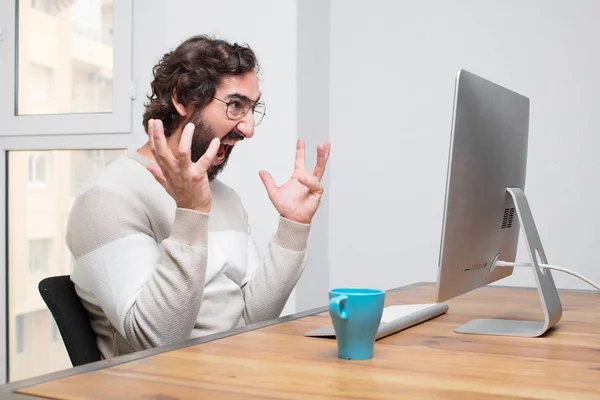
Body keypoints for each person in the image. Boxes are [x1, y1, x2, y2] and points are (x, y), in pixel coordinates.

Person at [65, 34, 330, 359]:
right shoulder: (106, 199)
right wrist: (190, 213)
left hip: (233, 376)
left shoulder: (225, 198)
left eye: (252, 108)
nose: (249, 129)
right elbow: (156, 343)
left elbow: (252, 320)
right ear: (182, 100)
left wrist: (293, 226)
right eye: (235, 106)